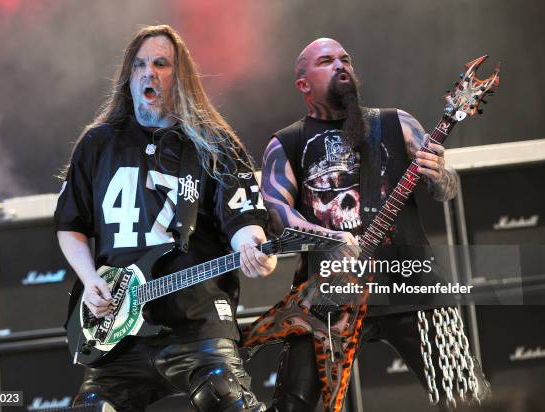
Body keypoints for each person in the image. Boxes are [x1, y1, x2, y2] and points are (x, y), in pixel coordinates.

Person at [54, 24, 276, 412]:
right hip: (118, 331)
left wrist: (252, 246)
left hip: (196, 320)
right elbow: (70, 224)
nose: (148, 73)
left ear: (180, 77)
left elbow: (243, 217)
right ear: (129, 76)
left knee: (225, 398)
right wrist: (90, 281)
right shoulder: (97, 143)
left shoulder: (213, 142)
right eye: (139, 65)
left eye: (160, 64)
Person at [260, 38, 489, 411]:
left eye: (345, 58)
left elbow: (446, 190)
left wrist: (440, 174)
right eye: (326, 60)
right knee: (290, 406)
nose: (340, 64)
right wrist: (330, 237)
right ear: (303, 83)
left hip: (413, 286)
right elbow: (278, 217)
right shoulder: (286, 144)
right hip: (329, 297)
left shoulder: (395, 123)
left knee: (468, 400)